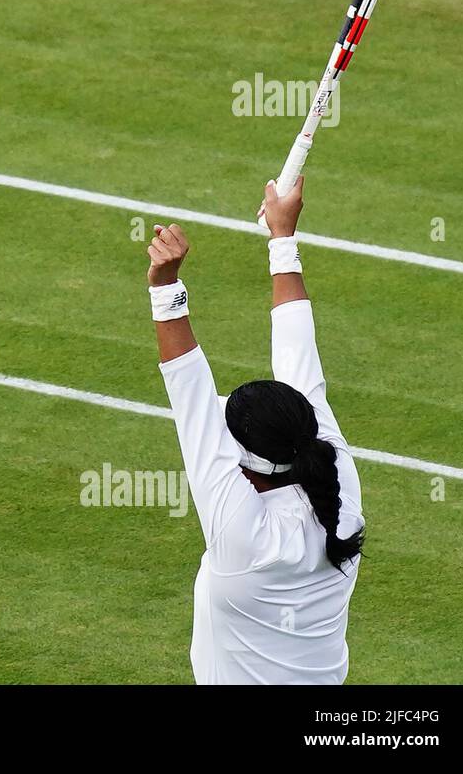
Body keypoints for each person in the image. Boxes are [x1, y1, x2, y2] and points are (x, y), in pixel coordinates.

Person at [146, 178, 365, 683]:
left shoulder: (242, 530)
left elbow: (190, 391)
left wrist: (165, 283)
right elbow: (297, 357)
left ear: (249, 462)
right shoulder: (336, 486)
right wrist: (281, 236)